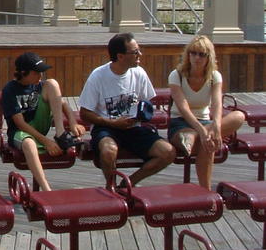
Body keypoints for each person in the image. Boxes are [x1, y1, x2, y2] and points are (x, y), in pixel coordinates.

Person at [79, 33, 175, 186]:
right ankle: (111, 186)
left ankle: (128, 184)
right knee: (108, 150)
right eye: (135, 52)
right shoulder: (98, 76)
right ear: (120, 56)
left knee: (168, 152)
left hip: (133, 128)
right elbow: (84, 112)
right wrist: (112, 122)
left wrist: (139, 117)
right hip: (106, 128)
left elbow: (146, 102)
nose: (140, 54)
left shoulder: (139, 73)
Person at [1, 51, 86, 191]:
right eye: (36, 73)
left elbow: (64, 104)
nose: (41, 76)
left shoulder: (41, 85)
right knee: (29, 143)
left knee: (52, 83)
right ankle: (46, 189)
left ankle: (60, 134)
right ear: (23, 72)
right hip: (20, 132)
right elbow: (20, 123)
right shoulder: (10, 90)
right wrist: (46, 142)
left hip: (40, 125)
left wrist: (72, 122)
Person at [167, 35, 244, 190]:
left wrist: (215, 126)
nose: (197, 58)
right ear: (188, 54)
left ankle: (205, 192)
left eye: (202, 54)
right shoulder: (176, 75)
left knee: (238, 116)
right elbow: (183, 107)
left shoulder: (214, 76)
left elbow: (217, 103)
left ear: (209, 57)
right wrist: (203, 131)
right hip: (181, 122)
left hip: (205, 121)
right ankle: (206, 190)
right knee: (206, 141)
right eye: (193, 53)